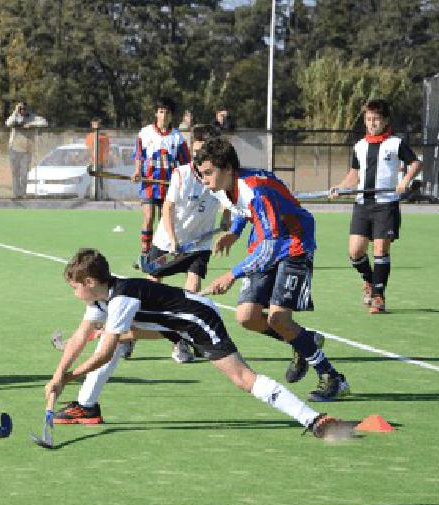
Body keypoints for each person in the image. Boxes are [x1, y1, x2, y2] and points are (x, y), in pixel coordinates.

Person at [46, 248, 343, 437]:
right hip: (171, 323)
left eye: (74, 288)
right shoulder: (101, 299)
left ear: (89, 283)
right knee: (104, 339)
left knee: (242, 378)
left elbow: (108, 350)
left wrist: (71, 377)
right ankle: (86, 407)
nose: (73, 294)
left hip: (197, 320)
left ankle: (313, 419)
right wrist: (59, 375)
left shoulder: (121, 298)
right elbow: (78, 337)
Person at [197, 137, 350, 402]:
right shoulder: (223, 187)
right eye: (201, 174)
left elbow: (271, 246)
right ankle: (304, 342)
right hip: (265, 241)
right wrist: (234, 233)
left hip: (293, 244)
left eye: (208, 173)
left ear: (228, 169)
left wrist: (231, 275)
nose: (204, 180)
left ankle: (333, 378)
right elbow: (240, 209)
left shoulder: (257, 192)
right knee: (247, 317)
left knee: (278, 320)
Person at [329, 99, 421, 314]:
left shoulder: (396, 143)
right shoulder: (360, 146)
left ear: (385, 121)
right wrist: (340, 188)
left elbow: (415, 163)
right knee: (355, 252)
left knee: (380, 249)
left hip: (385, 205)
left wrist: (404, 181)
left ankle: (378, 297)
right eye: (369, 120)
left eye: (376, 120)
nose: (372, 123)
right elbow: (354, 174)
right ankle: (370, 281)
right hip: (362, 205)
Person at [149, 124, 230, 362]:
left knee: (189, 297)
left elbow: (227, 199)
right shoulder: (181, 174)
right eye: (196, 150)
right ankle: (129, 334)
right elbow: (167, 208)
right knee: (149, 290)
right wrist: (173, 240)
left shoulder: (219, 174)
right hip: (168, 240)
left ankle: (181, 343)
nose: (199, 155)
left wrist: (226, 218)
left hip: (199, 243)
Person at [131, 96, 191, 259]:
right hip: (150, 184)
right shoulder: (145, 133)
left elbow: (186, 163)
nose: (163, 116)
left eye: (167, 112)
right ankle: (144, 254)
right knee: (148, 217)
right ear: (156, 113)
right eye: (161, 112)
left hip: (169, 185)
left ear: (172, 116)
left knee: (165, 221)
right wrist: (137, 171)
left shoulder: (177, 137)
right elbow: (139, 155)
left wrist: (182, 181)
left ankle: (160, 253)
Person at [5, 101, 48, 199]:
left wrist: (31, 125)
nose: (22, 111)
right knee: (15, 172)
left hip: (27, 149)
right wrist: (15, 113)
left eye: (24, 109)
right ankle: (16, 194)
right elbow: (8, 123)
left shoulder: (32, 117)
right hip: (14, 148)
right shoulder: (15, 117)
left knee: (24, 172)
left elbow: (44, 122)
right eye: (20, 109)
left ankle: (22, 193)